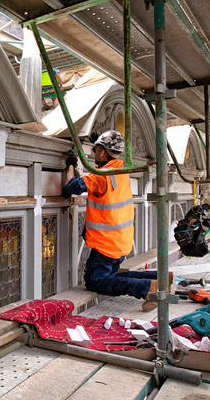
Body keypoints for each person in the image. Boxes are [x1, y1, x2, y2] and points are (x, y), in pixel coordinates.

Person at [63, 130, 162, 311]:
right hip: (121, 243)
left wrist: (71, 164)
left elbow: (69, 188)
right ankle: (160, 278)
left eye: (96, 152)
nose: (94, 156)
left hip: (106, 246)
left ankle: (146, 288)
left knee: (95, 281)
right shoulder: (122, 171)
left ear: (102, 152)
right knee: (112, 275)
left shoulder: (100, 175)